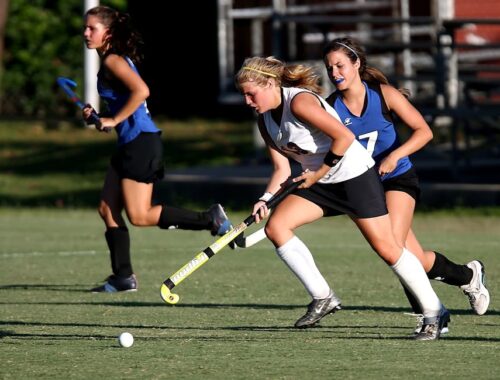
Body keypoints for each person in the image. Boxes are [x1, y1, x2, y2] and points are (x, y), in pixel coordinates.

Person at [236, 56, 449, 340]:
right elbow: (281, 169)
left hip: (354, 176)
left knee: (388, 248)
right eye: (244, 95)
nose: (248, 101)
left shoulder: (299, 102)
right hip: (321, 181)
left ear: (271, 83)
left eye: (252, 94)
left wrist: (317, 173)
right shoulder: (265, 121)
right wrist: (265, 198)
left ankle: (435, 311)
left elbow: (344, 137)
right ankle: (323, 297)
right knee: (277, 227)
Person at [322, 37, 490, 328]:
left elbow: (424, 132)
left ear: (357, 64)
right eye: (329, 68)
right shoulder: (330, 108)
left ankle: (432, 316)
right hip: (365, 186)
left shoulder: (384, 95)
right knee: (414, 258)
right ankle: (467, 276)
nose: (335, 72)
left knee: (394, 247)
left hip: (398, 177)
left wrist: (394, 155)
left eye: (340, 65)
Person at [82, 6, 233, 293]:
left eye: (92, 28)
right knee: (107, 207)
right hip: (129, 142)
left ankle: (210, 219)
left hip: (141, 143)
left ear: (109, 33)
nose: (86, 33)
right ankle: (122, 277)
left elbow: (142, 92)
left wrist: (113, 119)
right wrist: (98, 116)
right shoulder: (112, 60)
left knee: (139, 216)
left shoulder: (113, 60)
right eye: (85, 28)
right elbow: (125, 100)